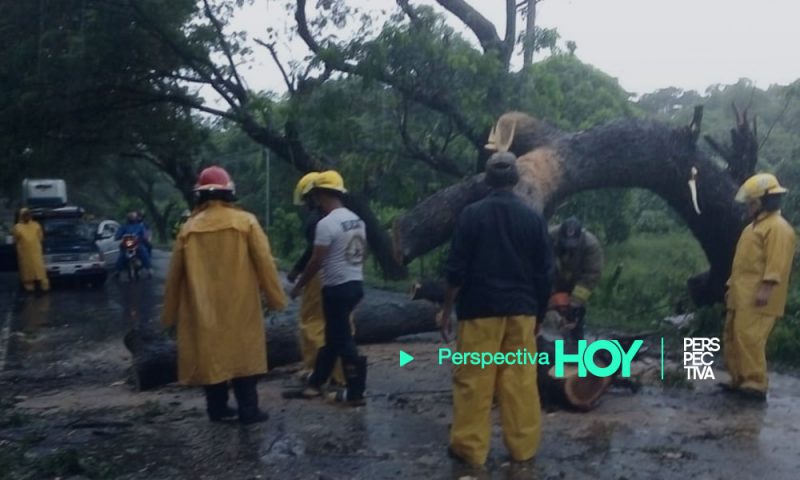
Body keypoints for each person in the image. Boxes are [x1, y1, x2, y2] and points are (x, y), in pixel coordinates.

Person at [438, 152, 553, 467]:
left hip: (479, 312)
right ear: (515, 180)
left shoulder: (471, 215)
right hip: (521, 312)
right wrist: (539, 315)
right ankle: (523, 449)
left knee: (474, 380)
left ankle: (470, 449)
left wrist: (446, 309)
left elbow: (456, 269)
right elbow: (544, 274)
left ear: (488, 181)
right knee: (519, 382)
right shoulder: (532, 219)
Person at [161, 166, 287, 424]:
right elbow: (264, 262)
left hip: (202, 307)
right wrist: (275, 298)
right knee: (244, 357)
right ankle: (248, 411)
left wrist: (169, 315)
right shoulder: (246, 222)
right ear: (229, 193)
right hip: (241, 305)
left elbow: (174, 276)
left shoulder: (188, 229)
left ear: (200, 196)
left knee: (212, 358)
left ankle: (217, 410)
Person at [285, 170, 368, 406]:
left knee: (343, 341)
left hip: (336, 289)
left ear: (320, 194)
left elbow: (316, 260)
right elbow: (364, 252)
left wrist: (299, 286)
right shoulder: (357, 220)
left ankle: (356, 392)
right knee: (333, 338)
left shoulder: (326, 223)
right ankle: (314, 384)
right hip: (355, 284)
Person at [722, 173, 795, 402]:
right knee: (733, 335)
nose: (748, 207)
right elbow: (743, 264)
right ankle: (739, 379)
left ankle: (755, 383)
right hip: (741, 295)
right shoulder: (752, 228)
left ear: (764, 202)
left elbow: (778, 263)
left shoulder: (778, 228)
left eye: (752, 202)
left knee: (750, 338)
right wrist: (730, 287)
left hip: (759, 297)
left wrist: (767, 288)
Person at [287, 172, 347, 386]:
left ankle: (315, 368)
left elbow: (315, 253)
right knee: (340, 324)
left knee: (312, 322)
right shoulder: (346, 217)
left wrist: (297, 274)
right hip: (342, 276)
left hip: (319, 275)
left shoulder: (317, 221)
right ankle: (338, 371)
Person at [548, 217, 603, 341]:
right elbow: (541, 268)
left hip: (577, 281)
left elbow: (590, 276)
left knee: (576, 314)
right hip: (554, 278)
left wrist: (574, 304)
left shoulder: (591, 245)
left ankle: (575, 343)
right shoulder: (549, 237)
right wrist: (550, 298)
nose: (568, 247)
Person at [12, 208, 50, 293]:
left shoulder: (36, 225)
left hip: (36, 251)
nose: (27, 217)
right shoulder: (17, 227)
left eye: (28, 215)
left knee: (39, 269)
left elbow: (40, 237)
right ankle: (29, 288)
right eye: (25, 215)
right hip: (24, 253)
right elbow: (15, 240)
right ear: (21, 216)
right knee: (26, 271)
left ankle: (43, 287)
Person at [114, 211, 152, 277]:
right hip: (126, 245)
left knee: (144, 253)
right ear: (128, 218)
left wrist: (144, 237)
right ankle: (118, 271)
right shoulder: (124, 226)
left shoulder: (140, 226)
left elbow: (144, 235)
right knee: (121, 256)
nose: (132, 218)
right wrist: (117, 237)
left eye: (133, 217)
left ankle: (149, 270)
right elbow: (118, 235)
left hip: (137, 244)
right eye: (130, 217)